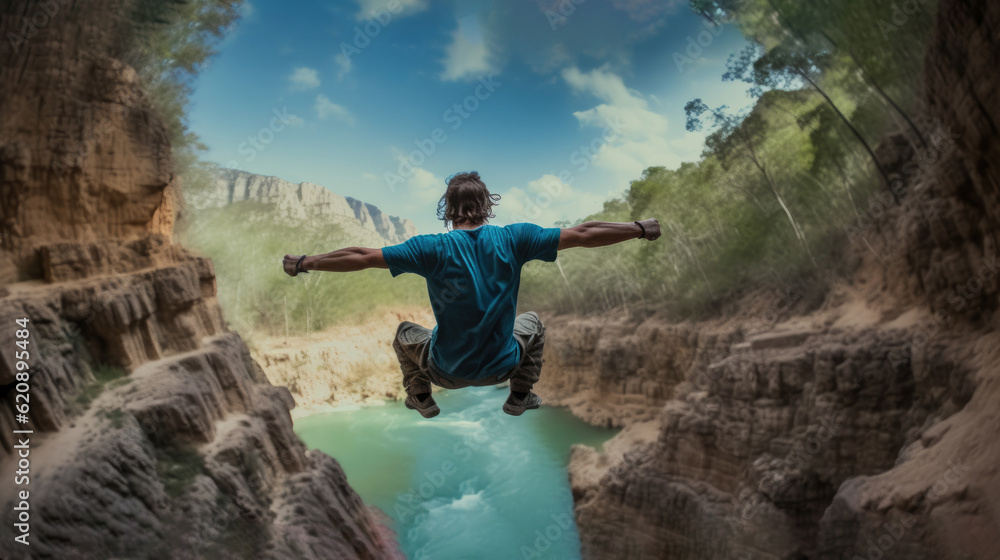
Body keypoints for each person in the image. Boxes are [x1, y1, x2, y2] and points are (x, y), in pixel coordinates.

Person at [283, 171, 660, 418]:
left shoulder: (429, 248)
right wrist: (638, 228)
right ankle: (519, 395)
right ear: (487, 208)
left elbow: (361, 256)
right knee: (533, 324)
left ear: (448, 211)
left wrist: (304, 262)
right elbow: (584, 233)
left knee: (404, 333)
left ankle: (420, 396)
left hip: (446, 371)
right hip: (503, 365)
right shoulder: (516, 238)